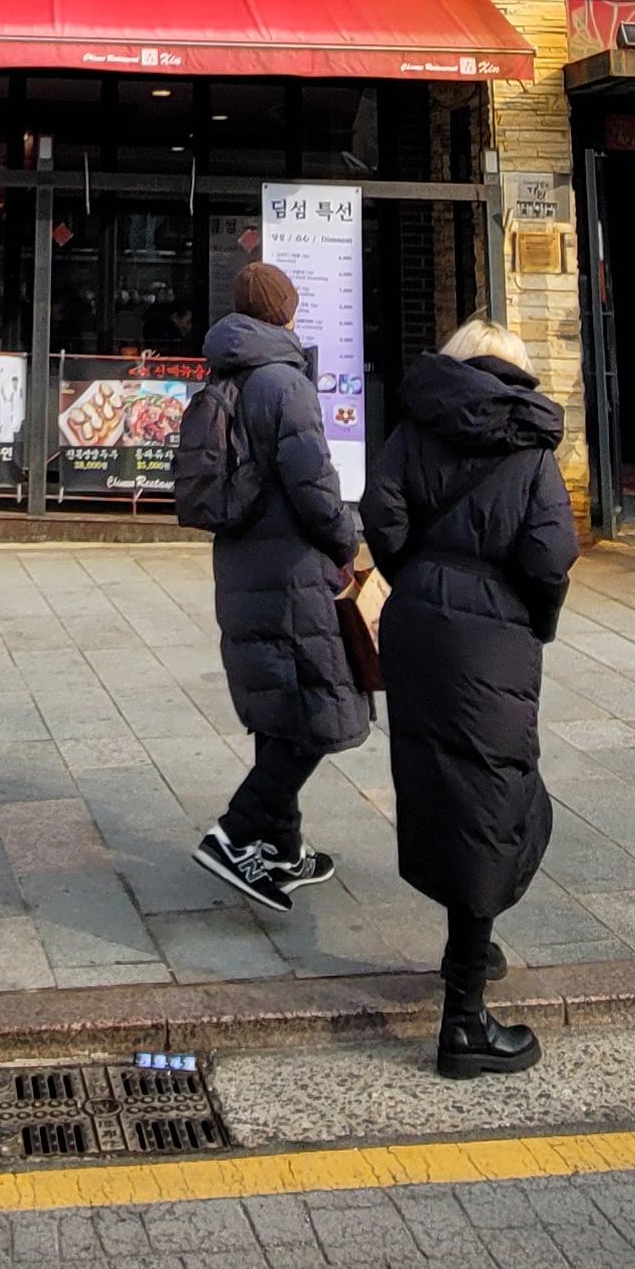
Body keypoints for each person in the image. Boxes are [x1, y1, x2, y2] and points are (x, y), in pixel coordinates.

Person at [363, 320, 579, 1082]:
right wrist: (536, 617)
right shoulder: (530, 447)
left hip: (418, 620)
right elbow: (549, 556)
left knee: (445, 784)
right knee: (497, 797)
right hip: (494, 628)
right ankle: (464, 1021)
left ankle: (473, 946)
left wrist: (420, 578)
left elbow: (381, 515)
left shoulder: (416, 426)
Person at [190, 259, 366, 917]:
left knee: (281, 706)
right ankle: (235, 833)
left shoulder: (229, 372)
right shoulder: (284, 381)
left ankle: (283, 849)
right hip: (292, 570)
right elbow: (314, 484)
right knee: (323, 711)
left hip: (243, 564)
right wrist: (347, 541)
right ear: (287, 311)